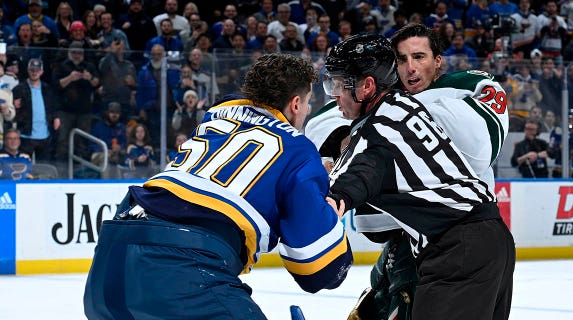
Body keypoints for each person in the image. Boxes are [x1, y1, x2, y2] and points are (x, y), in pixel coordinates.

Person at [84, 53, 353, 319]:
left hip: (109, 265)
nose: (307, 110)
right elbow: (318, 270)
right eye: (307, 102)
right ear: (295, 104)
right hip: (181, 271)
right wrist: (329, 212)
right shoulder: (298, 149)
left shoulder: (214, 120)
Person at [323, 33, 514, 320]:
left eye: (339, 84)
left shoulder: (375, 136)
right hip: (489, 239)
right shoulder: (404, 106)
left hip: (458, 251)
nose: (333, 93)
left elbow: (347, 186)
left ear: (367, 86)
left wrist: (325, 194)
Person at [12, 58, 60, 162]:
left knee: (43, 169)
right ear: (28, 70)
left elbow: (53, 106)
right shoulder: (19, 89)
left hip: (45, 135)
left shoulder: (47, 88)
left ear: (41, 72)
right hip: (26, 135)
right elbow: (11, 111)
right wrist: (13, 105)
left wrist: (56, 117)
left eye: (37, 70)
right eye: (32, 70)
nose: (34, 72)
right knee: (23, 167)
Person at [89, 102, 127, 178]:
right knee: (105, 158)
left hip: (116, 155)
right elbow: (91, 144)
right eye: (112, 112)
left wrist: (120, 147)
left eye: (117, 112)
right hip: (99, 154)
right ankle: (105, 182)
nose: (114, 115)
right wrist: (104, 150)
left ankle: (119, 183)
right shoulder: (98, 126)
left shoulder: (121, 127)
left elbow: (125, 143)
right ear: (107, 113)